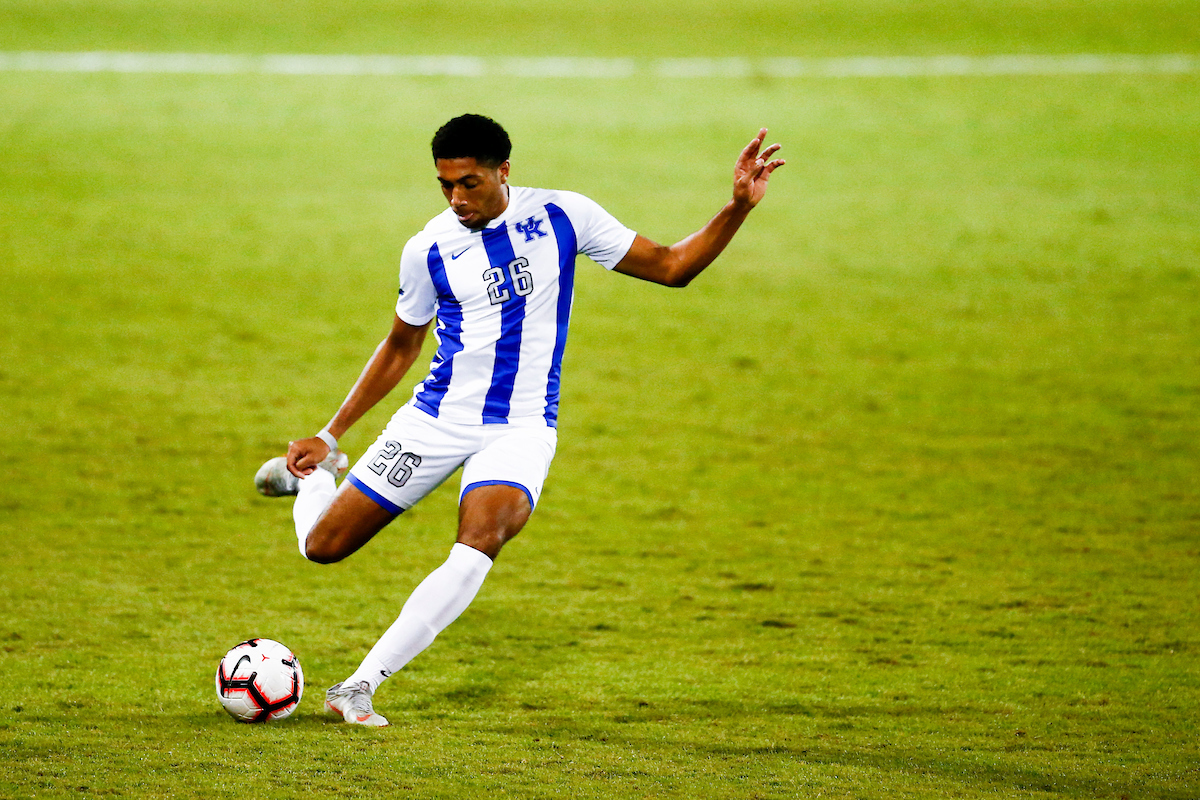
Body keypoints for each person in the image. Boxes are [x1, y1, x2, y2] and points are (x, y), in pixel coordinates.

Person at [254, 114, 784, 726]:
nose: (457, 198)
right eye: (445, 184)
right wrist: (330, 434)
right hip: (435, 419)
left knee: (481, 539)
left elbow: (671, 266)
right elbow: (402, 344)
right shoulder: (427, 248)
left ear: (505, 171)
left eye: (470, 183)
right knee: (323, 547)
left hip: (523, 426)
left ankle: (359, 686)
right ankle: (313, 481)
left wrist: (737, 207)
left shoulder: (563, 216)